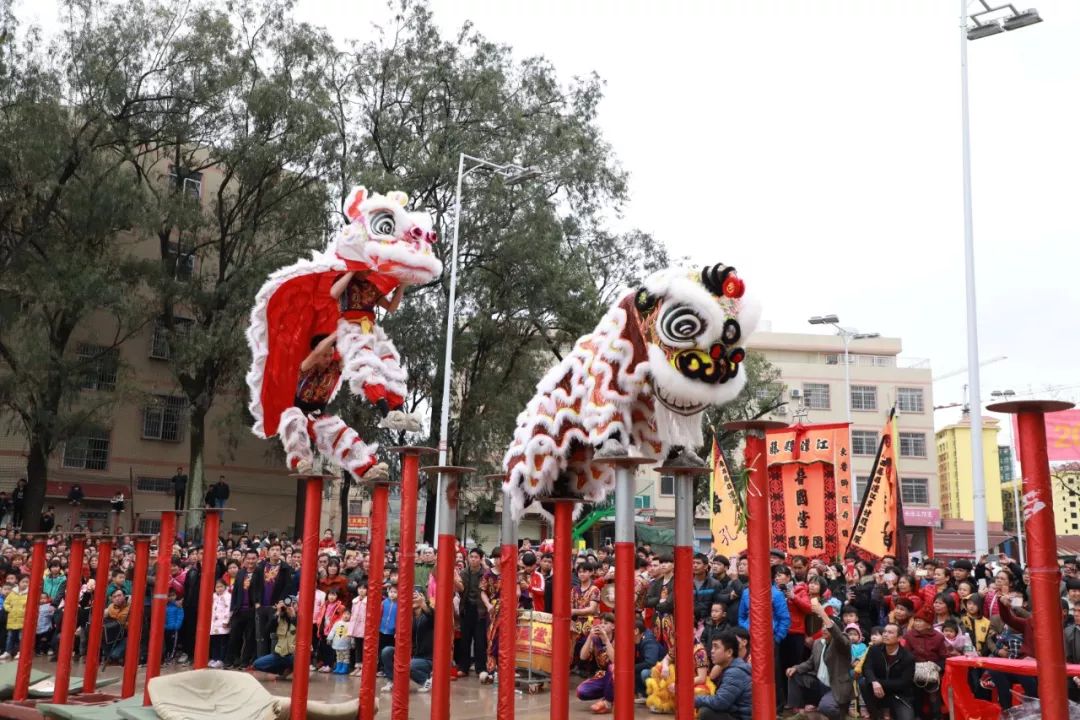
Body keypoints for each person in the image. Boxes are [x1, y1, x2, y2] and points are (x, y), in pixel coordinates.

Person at [784, 597, 853, 719]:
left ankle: (842, 713)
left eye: (826, 626)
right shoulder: (818, 643)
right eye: (822, 626)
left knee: (826, 708)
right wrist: (795, 668)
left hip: (836, 687)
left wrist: (822, 613)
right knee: (794, 674)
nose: (824, 629)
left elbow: (838, 636)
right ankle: (800, 711)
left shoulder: (842, 643)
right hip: (819, 684)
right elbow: (810, 663)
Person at [380, 588, 434, 693]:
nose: (413, 600)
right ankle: (392, 681)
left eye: (416, 597)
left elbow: (432, 616)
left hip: (428, 659)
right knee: (387, 651)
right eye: (412, 598)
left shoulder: (428, 614)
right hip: (412, 655)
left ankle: (426, 681)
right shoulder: (409, 617)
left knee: (407, 664)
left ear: (423, 598)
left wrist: (423, 604)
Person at [858, 623, 915, 720]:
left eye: (890, 632)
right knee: (864, 682)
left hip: (898, 695)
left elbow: (903, 683)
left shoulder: (908, 657)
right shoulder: (874, 650)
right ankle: (875, 715)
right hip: (877, 693)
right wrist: (874, 682)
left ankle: (890, 712)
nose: (885, 634)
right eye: (884, 632)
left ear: (899, 638)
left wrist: (878, 682)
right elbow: (867, 668)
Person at [694, 632, 752, 720]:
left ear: (729, 652)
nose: (712, 651)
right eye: (712, 647)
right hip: (734, 713)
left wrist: (693, 700)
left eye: (716, 647)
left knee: (706, 712)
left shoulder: (735, 672)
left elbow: (720, 702)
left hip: (740, 717)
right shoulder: (731, 667)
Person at [252, 598, 296, 677]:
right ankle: (281, 671)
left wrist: (293, 616)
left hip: (294, 655)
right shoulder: (279, 619)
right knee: (257, 664)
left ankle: (291, 668)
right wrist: (278, 612)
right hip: (279, 654)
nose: (286, 608)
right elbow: (266, 631)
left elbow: (302, 629)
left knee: (299, 660)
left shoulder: (300, 618)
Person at [0, 576, 29, 660]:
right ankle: (7, 652)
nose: (25, 584)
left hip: (22, 619)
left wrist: (24, 610)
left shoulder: (29, 593)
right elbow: (6, 603)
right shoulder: (13, 592)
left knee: (21, 637)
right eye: (23, 582)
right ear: (18, 582)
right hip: (12, 618)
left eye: (27, 582)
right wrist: (10, 609)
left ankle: (20, 652)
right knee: (10, 636)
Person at [634, 618, 663, 701]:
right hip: (655, 667)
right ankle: (644, 695)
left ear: (636, 631)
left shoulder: (648, 641)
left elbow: (651, 662)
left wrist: (632, 667)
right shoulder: (639, 639)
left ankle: (655, 697)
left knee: (644, 673)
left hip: (661, 670)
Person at [164, 590, 184, 662]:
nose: (171, 597)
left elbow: (180, 616)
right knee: (167, 643)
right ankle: (167, 656)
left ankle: (172, 657)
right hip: (166, 628)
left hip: (174, 628)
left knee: (173, 644)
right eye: (169, 596)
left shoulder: (178, 606)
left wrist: (177, 626)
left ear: (176, 596)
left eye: (173, 595)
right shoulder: (166, 606)